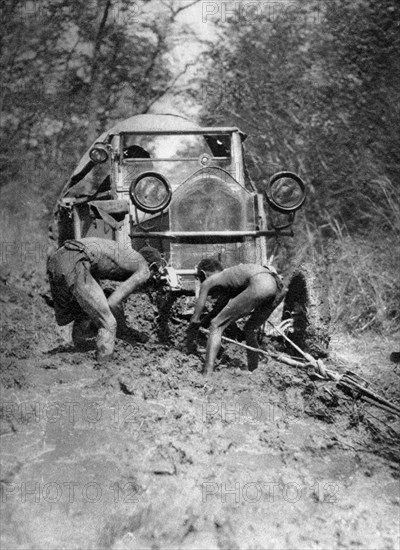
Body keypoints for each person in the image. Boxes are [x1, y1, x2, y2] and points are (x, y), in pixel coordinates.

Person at [47, 238, 150, 362]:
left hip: (57, 258)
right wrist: (123, 330)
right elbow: (113, 302)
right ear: (153, 265)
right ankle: (104, 369)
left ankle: (81, 361)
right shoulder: (144, 267)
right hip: (77, 260)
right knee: (108, 324)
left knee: (85, 312)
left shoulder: (124, 254)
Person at [187, 259, 285, 375]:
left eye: (200, 278)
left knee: (216, 325)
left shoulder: (208, 282)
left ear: (203, 274)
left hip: (260, 283)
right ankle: (254, 371)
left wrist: (190, 340)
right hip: (278, 288)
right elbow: (216, 312)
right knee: (250, 329)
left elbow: (195, 319)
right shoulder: (229, 278)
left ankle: (207, 374)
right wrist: (203, 324)